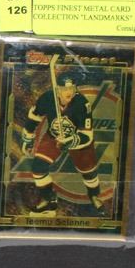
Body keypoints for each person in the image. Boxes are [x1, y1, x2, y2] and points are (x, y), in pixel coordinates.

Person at [21, 74, 104, 216]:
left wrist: (70, 141)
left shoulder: (82, 104)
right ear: (57, 89)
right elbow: (34, 117)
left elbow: (87, 136)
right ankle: (49, 200)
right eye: (64, 89)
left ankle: (94, 195)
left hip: (78, 139)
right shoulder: (47, 98)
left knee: (88, 171)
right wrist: (28, 137)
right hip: (54, 135)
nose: (69, 92)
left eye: (72, 88)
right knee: (38, 167)